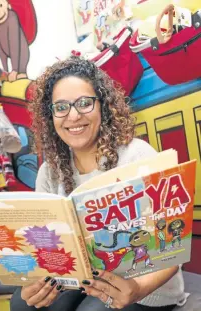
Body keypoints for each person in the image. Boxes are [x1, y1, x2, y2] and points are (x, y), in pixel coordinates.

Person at [10, 56, 187, 311]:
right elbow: (46, 247)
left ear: (102, 106)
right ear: (51, 116)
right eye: (61, 107)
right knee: (23, 303)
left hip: (144, 287)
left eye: (84, 103)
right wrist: (34, 279)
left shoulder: (137, 157)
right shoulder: (50, 172)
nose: (73, 115)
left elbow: (173, 245)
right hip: (83, 280)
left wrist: (139, 289)